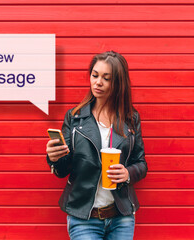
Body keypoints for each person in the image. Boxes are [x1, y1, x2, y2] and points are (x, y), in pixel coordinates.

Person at [46, 51, 147, 240]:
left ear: (118, 83)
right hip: (84, 218)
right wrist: (54, 158)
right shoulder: (75, 118)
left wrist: (127, 174)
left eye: (106, 78)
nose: (98, 82)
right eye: (95, 75)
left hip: (121, 217)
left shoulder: (131, 119)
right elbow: (62, 170)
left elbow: (141, 163)